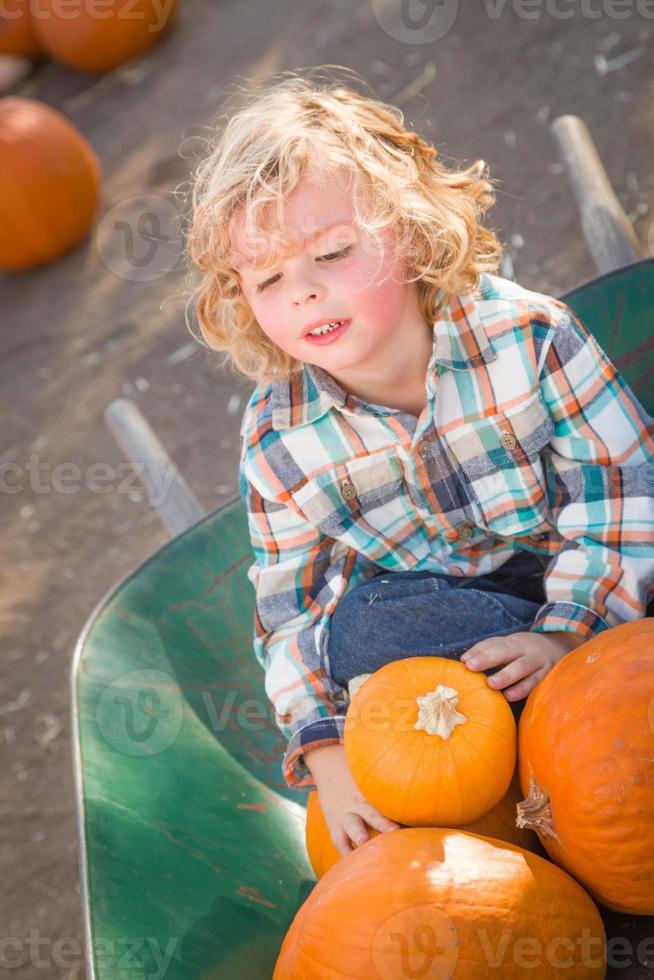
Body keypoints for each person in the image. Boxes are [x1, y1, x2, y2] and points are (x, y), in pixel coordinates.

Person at [187, 70, 654, 858]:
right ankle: (525, 756)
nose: (301, 292)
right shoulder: (279, 437)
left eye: (331, 253)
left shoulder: (528, 338)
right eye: (268, 278)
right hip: (461, 635)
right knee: (365, 625)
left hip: (599, 581)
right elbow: (293, 612)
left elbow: (621, 495)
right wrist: (327, 750)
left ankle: (575, 708)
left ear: (407, 230)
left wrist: (569, 635)